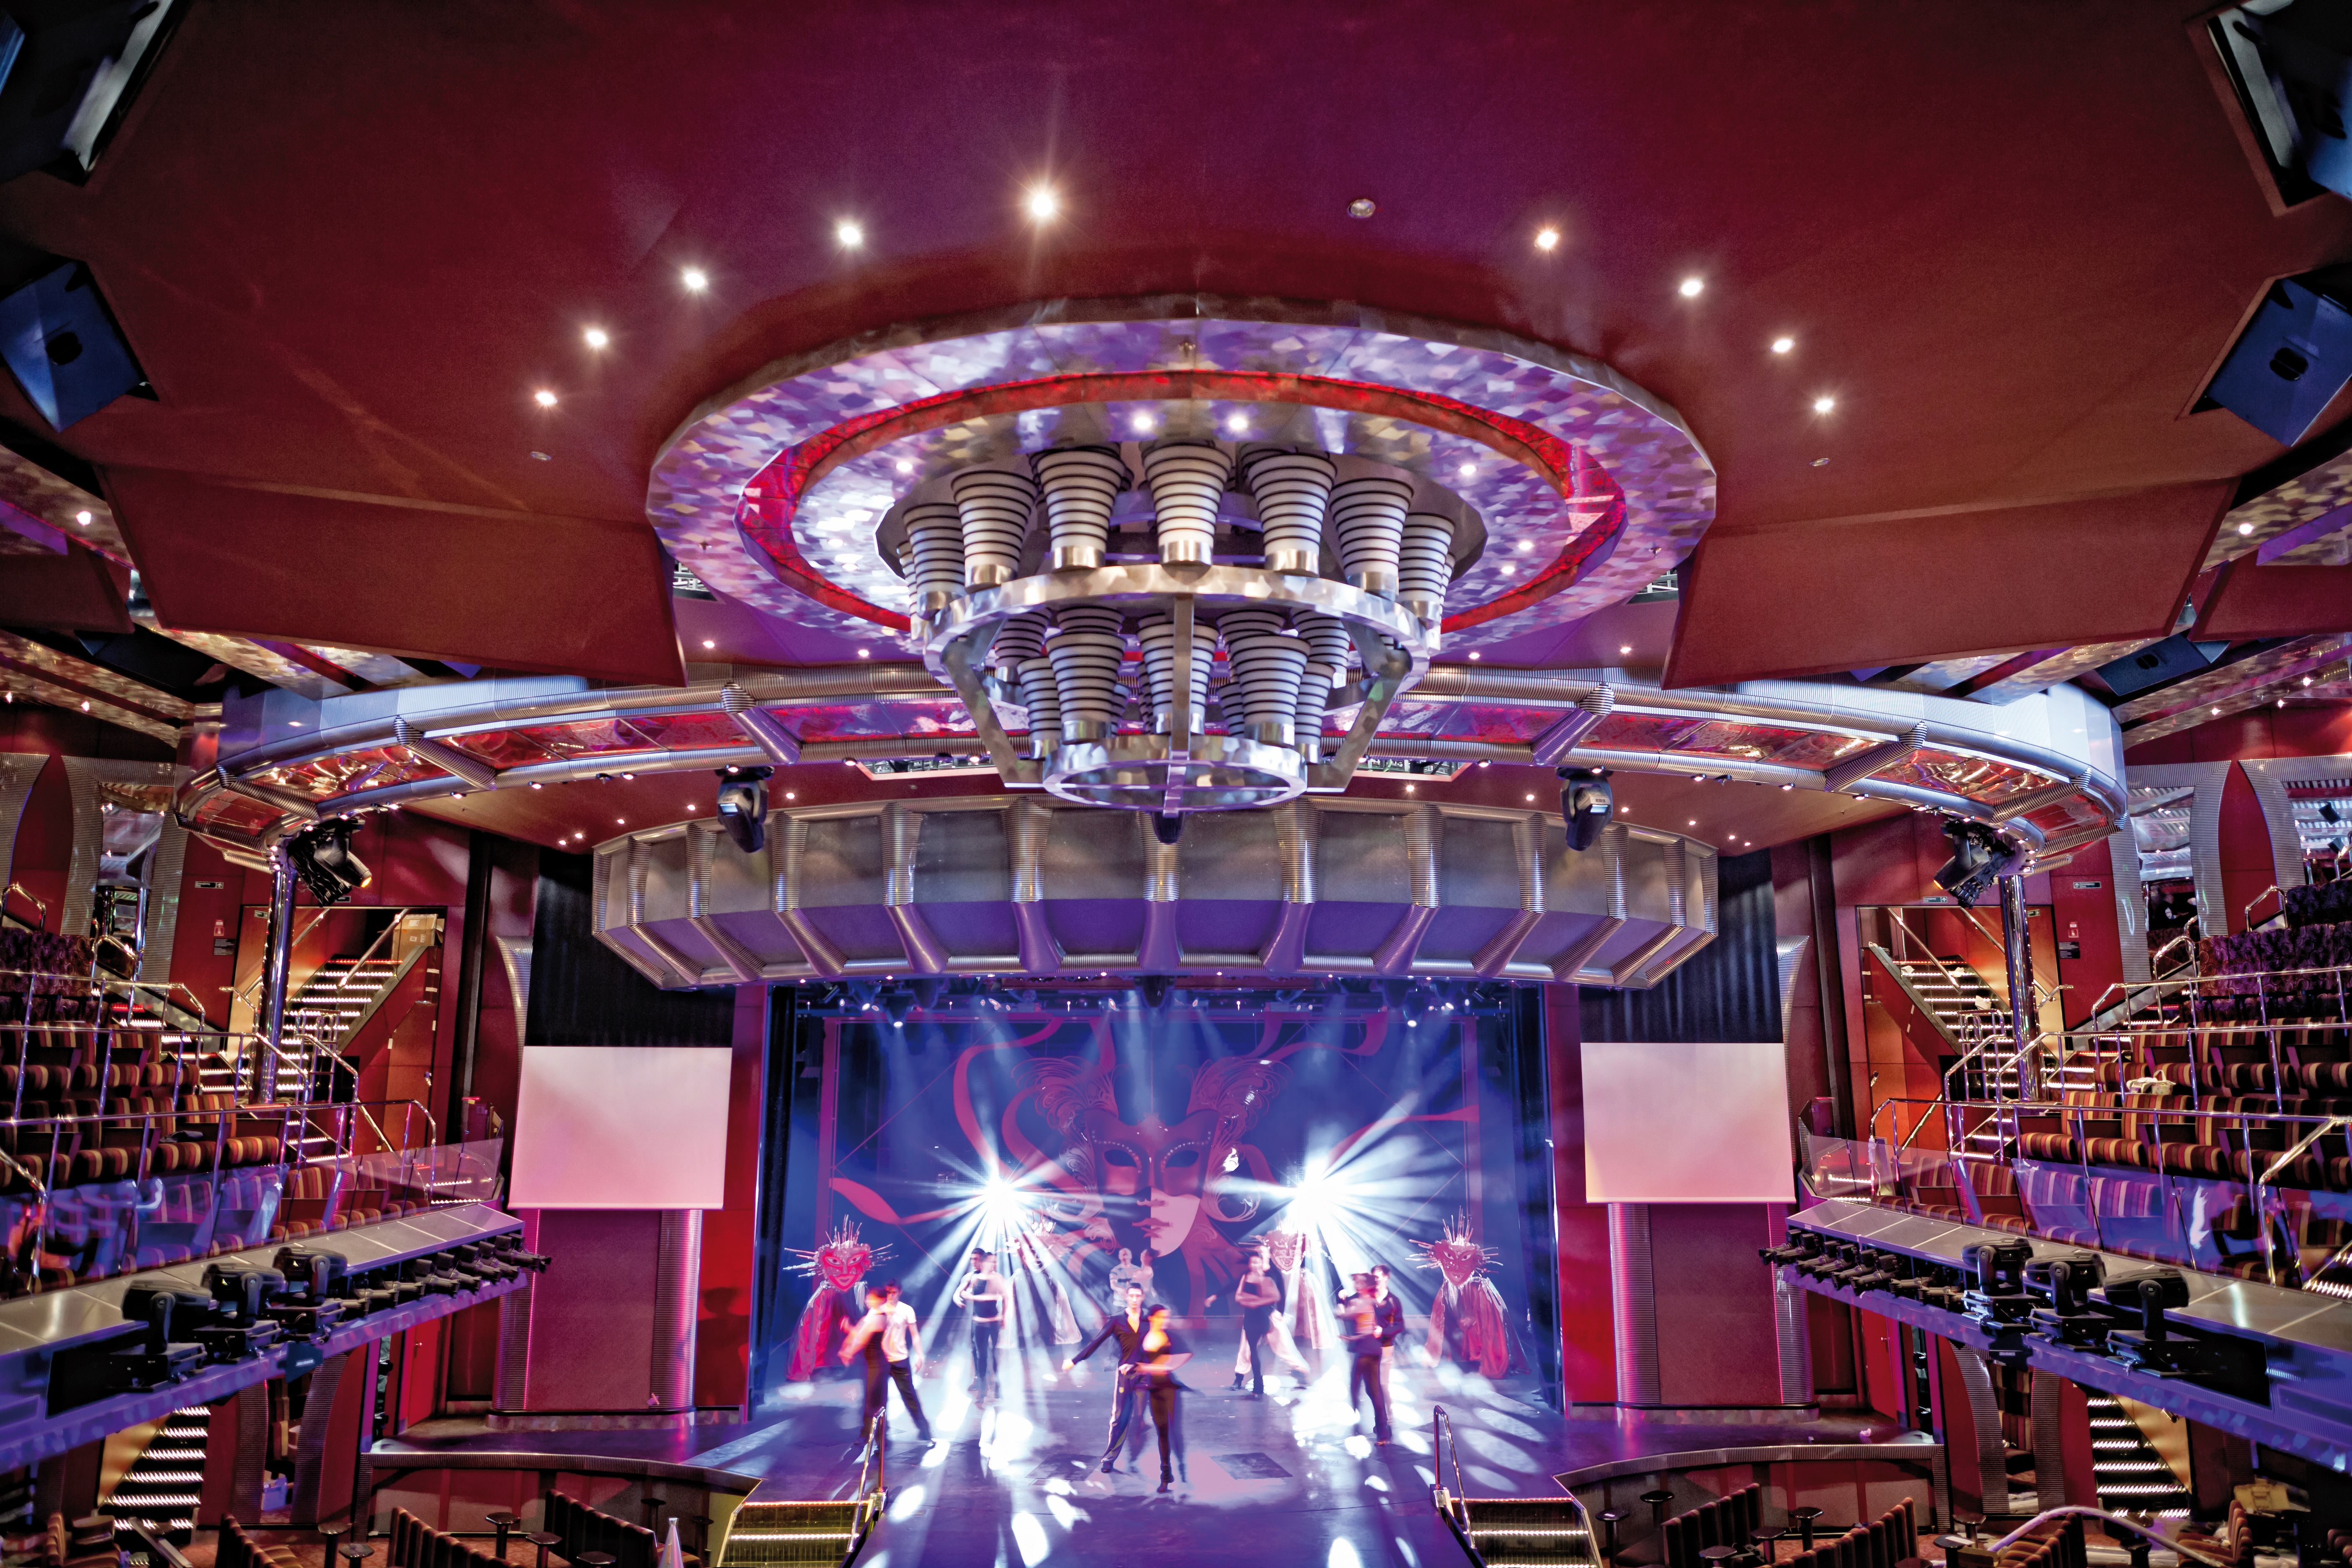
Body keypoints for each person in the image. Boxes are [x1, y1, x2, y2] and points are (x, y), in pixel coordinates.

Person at [1064, 1282, 1150, 1473]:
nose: (1135, 1299)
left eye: (1138, 1296)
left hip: (1144, 1375)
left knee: (1139, 1417)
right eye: (1132, 1296)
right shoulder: (1117, 1320)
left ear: (1143, 1297)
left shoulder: (1149, 1320)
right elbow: (1097, 1342)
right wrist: (1075, 1360)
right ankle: (1109, 1458)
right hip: (1125, 1375)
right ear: (1127, 1297)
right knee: (1119, 1417)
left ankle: (1137, 1447)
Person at [839, 1282, 933, 1443]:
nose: (891, 1296)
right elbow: (862, 1333)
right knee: (877, 1400)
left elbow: (915, 1334)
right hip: (882, 1360)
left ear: (900, 1293)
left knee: (909, 1396)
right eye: (888, 1292)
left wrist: (920, 1355)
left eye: (894, 1292)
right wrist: (849, 1334)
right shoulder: (877, 1311)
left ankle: (924, 1430)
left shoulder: (906, 1310)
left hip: (899, 1359)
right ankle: (873, 1435)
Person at [1226, 1243, 1310, 1390]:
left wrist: (1281, 1312)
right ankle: (1239, 1378)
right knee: (1246, 1349)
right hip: (1253, 1316)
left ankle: (1301, 1373)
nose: (1261, 1256)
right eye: (1259, 1253)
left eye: (1264, 1253)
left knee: (1284, 1345)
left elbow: (1280, 1294)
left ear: (1268, 1256)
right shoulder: (1249, 1274)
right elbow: (1238, 1292)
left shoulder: (1272, 1273)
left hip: (1271, 1314)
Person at [1132, 1304, 1191, 1492]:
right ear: (1152, 1318)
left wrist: (1152, 1367)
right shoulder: (1143, 1338)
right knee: (1162, 1433)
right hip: (1153, 1391)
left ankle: (1181, 1465)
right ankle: (1166, 1474)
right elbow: (1134, 1361)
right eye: (1162, 1317)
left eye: (1167, 1317)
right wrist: (1132, 1368)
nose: (1165, 1321)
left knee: (1175, 1431)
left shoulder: (1171, 1337)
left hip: (1170, 1390)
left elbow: (1184, 1355)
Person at [1338, 1270, 1402, 1444]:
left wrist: (1340, 1305)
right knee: (1373, 1391)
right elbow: (1364, 1326)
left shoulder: (1367, 1301)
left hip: (1367, 1350)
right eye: (1356, 1282)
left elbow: (1345, 1315)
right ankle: (1382, 1432)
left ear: (1367, 1286)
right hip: (1371, 1348)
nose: (1356, 1285)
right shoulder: (1370, 1301)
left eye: (1360, 1282)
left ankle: (1360, 1428)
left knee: (1359, 1388)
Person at [954, 1248, 1012, 1403]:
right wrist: (962, 1297)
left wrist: (1004, 1317)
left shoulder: (998, 1278)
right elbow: (964, 1293)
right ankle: (982, 1389)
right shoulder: (975, 1278)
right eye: (991, 1262)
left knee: (994, 1354)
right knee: (981, 1355)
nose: (993, 1264)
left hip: (993, 1322)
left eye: (994, 1262)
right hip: (979, 1322)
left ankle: (997, 1386)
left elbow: (1004, 1297)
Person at [1232, 1251, 1280, 1398]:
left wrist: (1252, 1301)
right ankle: (1258, 1385)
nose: (1255, 1265)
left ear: (1261, 1263)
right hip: (1250, 1318)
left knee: (1278, 1347)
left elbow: (1275, 1297)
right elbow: (1238, 1297)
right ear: (1249, 1264)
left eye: (1257, 1262)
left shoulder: (1267, 1279)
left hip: (1263, 1317)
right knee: (1253, 1350)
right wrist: (1253, 1301)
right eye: (1252, 1262)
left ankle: (1301, 1372)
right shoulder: (1246, 1278)